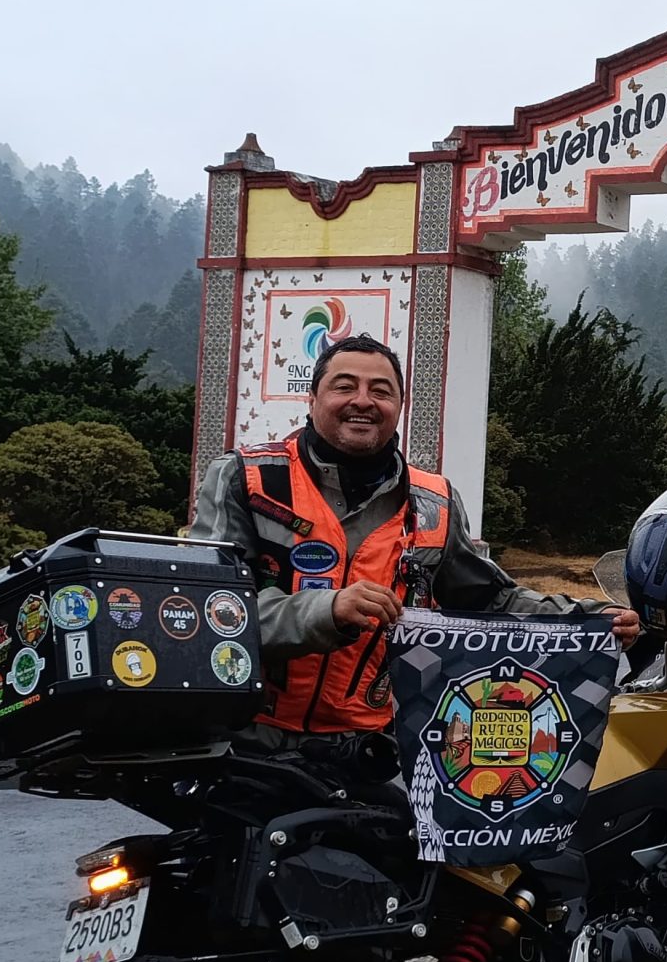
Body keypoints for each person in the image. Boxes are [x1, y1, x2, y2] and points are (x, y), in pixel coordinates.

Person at [190, 331, 638, 794]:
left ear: (399, 406)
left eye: (381, 391)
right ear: (312, 398)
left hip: (369, 752)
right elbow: (211, 613)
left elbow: (491, 600)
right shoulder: (246, 478)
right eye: (344, 386)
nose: (363, 401)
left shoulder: (434, 503)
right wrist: (327, 610)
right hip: (244, 742)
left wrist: (588, 620)